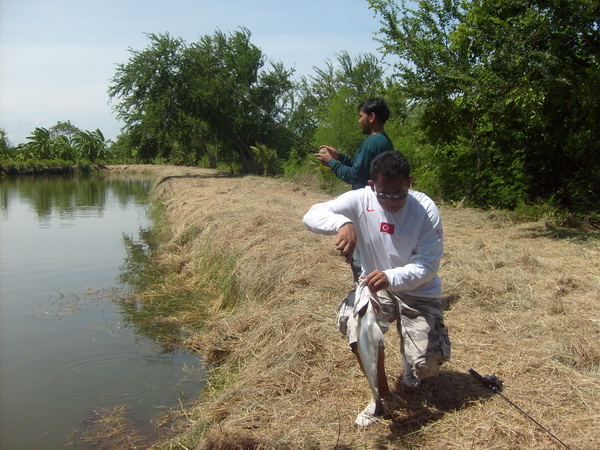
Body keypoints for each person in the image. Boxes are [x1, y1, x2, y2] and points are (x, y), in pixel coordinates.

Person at [303, 151, 451, 427]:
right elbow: (311, 215)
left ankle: (413, 364)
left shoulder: (424, 208)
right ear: (373, 185)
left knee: (425, 366)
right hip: (374, 284)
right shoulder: (361, 199)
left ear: (410, 182)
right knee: (355, 325)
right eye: (384, 194)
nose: (392, 201)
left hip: (418, 290)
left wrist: (391, 276)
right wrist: (342, 223)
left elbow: (428, 264)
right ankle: (381, 397)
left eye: (399, 193)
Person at [315, 97, 394, 190]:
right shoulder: (385, 141)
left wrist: (330, 162)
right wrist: (339, 156)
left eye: (361, 116)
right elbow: (362, 170)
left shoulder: (371, 143)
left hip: (366, 201)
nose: (359, 121)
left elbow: (354, 176)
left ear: (371, 117)